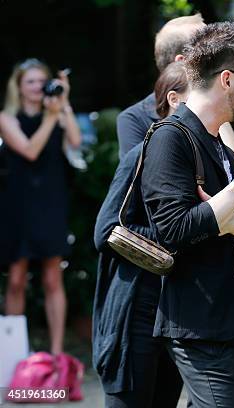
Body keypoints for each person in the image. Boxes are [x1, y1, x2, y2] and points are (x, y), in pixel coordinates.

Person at [140, 20, 234, 407]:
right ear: (227, 79)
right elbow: (173, 229)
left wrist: (230, 218)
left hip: (231, 325)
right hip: (198, 327)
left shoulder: (217, 141)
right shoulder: (170, 137)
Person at [92, 61, 191, 407]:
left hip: (178, 314)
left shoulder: (200, 159)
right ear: (175, 101)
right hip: (135, 306)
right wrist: (174, 233)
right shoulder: (141, 154)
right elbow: (105, 229)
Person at [0, 58, 81, 355]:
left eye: (40, 81)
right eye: (30, 82)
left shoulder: (56, 112)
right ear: (19, 87)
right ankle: (14, 354)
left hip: (51, 201)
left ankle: (57, 354)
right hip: (18, 205)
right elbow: (30, 151)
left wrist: (65, 104)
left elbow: (74, 140)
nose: (36, 87)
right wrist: (50, 117)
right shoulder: (7, 119)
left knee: (52, 277)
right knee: (17, 278)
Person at [117, 13, 204, 159]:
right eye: (211, 50)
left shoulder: (229, 103)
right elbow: (139, 177)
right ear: (183, 62)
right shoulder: (134, 119)